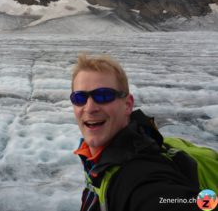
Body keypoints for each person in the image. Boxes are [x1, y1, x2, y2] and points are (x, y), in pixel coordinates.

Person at [70, 54, 201, 211]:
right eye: (79, 98)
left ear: (127, 105)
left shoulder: (141, 178)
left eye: (103, 95)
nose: (90, 108)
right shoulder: (97, 162)